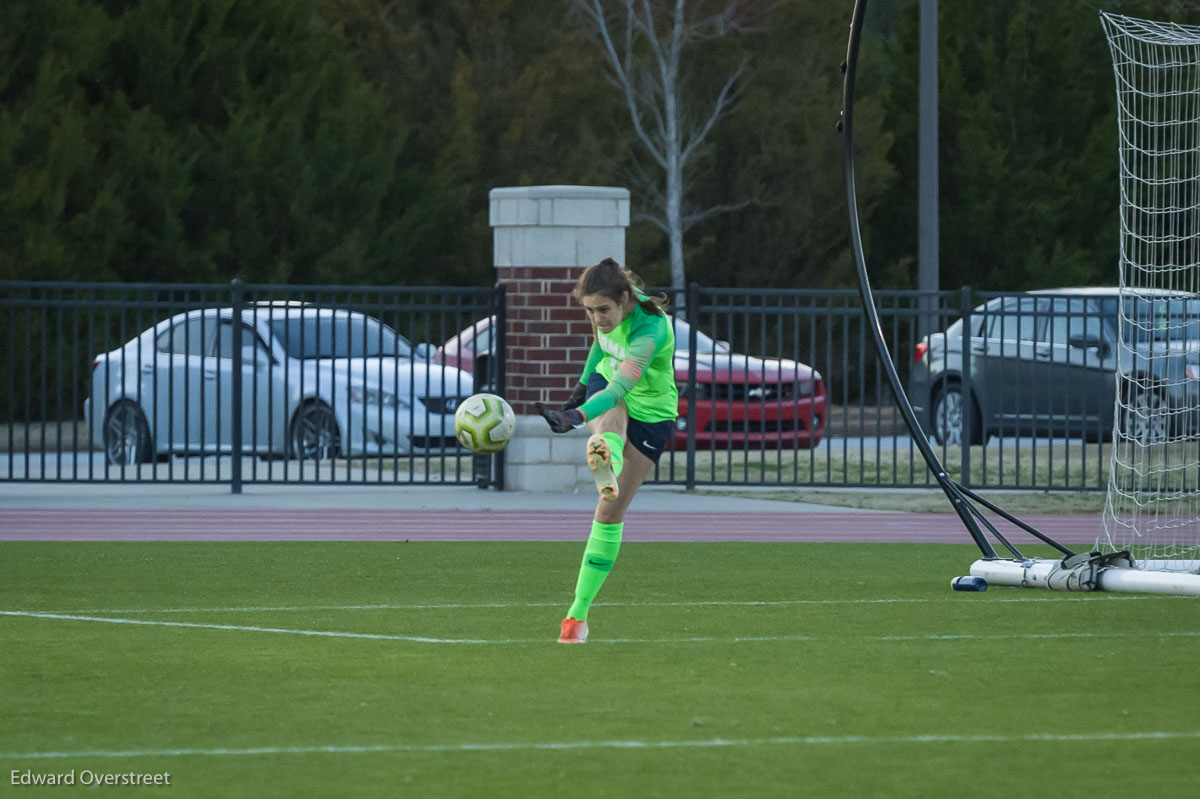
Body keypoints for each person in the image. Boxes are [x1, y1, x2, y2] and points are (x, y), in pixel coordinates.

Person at [535, 257, 678, 644]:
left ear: (626, 299)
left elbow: (620, 389)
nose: (597, 318)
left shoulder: (650, 330)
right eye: (589, 311)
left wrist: (575, 415)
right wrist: (581, 388)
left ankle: (579, 612)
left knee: (609, 511)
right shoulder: (603, 316)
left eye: (603, 310)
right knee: (609, 409)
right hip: (609, 391)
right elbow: (599, 349)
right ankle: (574, 621)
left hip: (653, 412)